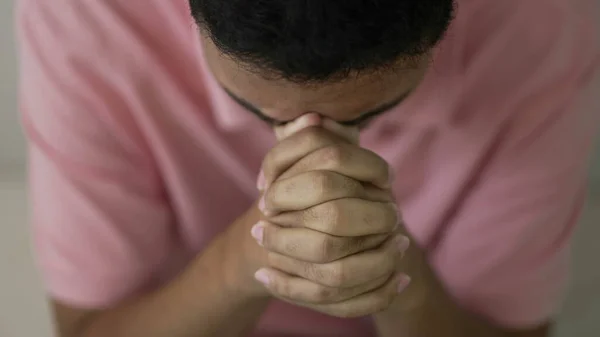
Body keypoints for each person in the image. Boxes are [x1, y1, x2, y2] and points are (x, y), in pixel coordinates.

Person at [16, 0, 599, 336]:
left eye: (373, 111)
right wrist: (251, 258)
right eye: (258, 109)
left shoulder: (545, 24)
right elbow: (88, 328)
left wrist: (398, 281)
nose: (319, 164)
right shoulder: (85, 14)